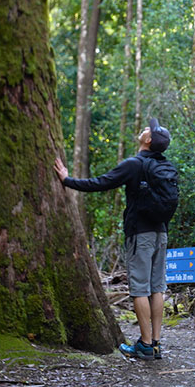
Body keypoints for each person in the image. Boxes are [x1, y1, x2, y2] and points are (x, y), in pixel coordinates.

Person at [53, 117, 173, 360]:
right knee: (157, 287)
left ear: (148, 140)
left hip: (140, 233)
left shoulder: (134, 164)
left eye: (149, 129)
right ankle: (156, 343)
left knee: (140, 288)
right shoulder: (164, 166)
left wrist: (67, 180)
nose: (146, 128)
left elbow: (100, 183)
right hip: (161, 232)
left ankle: (146, 345)